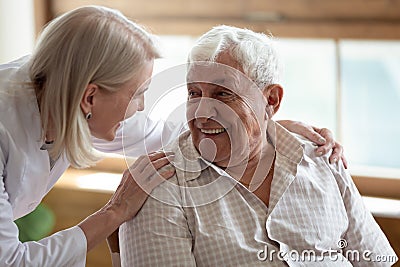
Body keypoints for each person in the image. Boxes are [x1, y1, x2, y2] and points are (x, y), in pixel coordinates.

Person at [0, 5, 344, 266]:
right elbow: (11, 261)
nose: (139, 108)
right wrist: (114, 213)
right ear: (90, 96)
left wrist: (268, 125)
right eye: (137, 94)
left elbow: (175, 132)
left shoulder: (68, 97)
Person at [119, 25, 398, 266]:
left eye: (223, 94)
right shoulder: (161, 187)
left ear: (272, 100)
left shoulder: (322, 156)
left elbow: (374, 260)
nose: (202, 111)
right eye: (194, 93)